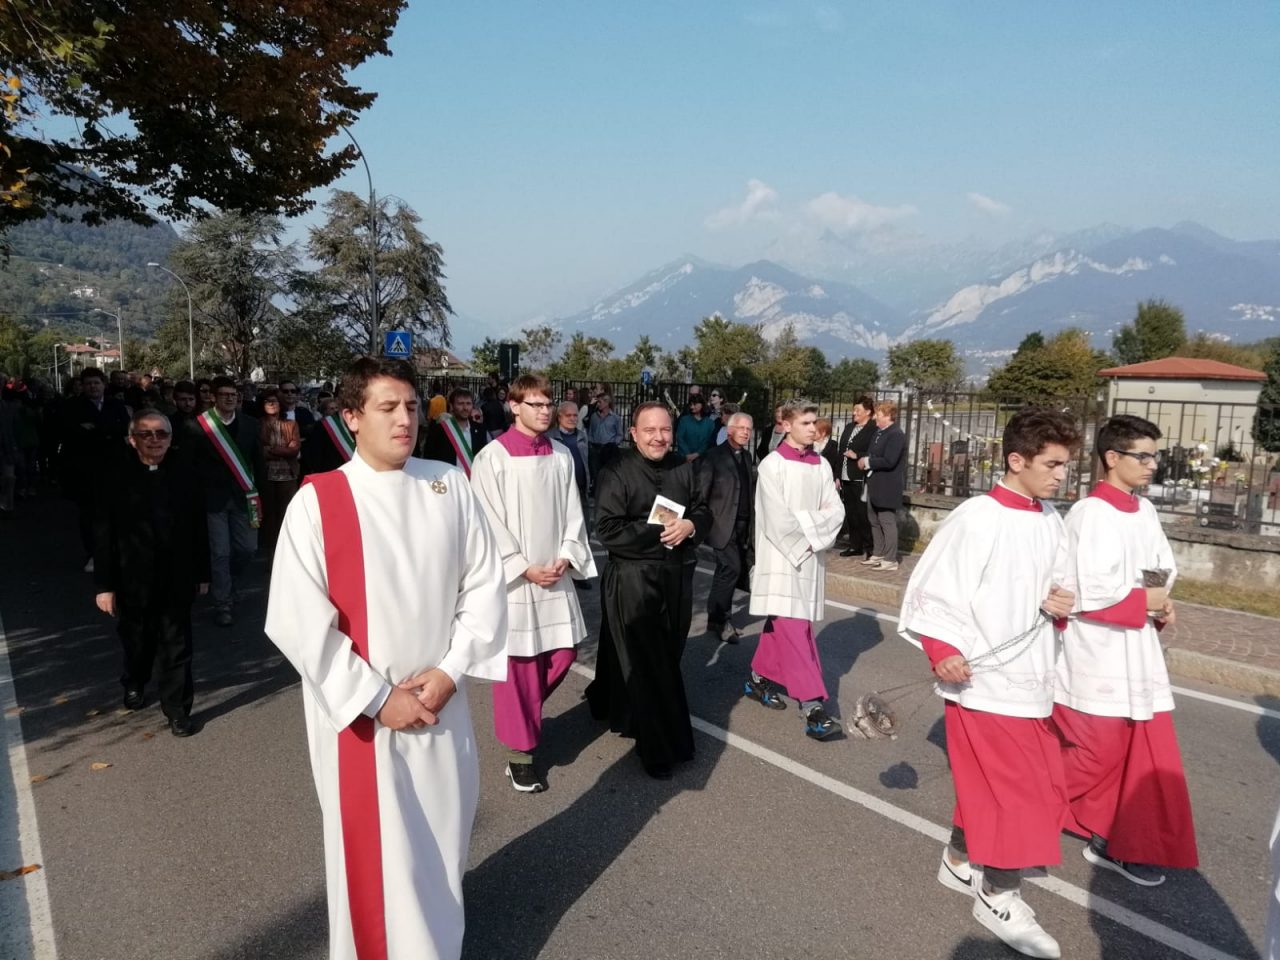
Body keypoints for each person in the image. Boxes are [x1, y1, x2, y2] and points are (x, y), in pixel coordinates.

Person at [265, 357, 508, 960]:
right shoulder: (320, 502)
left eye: (410, 406)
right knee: (375, 857)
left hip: (439, 705)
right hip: (363, 720)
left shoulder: (448, 483)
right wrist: (379, 698)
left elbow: (484, 584)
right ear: (350, 417)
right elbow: (298, 621)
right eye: (387, 407)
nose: (405, 420)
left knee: (440, 846)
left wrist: (452, 672)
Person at [898, 409, 1081, 959]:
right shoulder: (975, 518)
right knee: (1019, 790)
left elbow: (1065, 584)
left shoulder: (1051, 518)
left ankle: (958, 860)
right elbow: (935, 588)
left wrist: (1063, 602)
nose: (1061, 476)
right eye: (1052, 465)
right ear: (1016, 460)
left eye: (1066, 466)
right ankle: (998, 894)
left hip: (1031, 676)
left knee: (1000, 783)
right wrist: (942, 649)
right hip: (982, 679)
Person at [1052, 414, 1198, 885]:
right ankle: (1019, 809)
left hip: (1135, 647)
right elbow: (1085, 590)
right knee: (1096, 752)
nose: (1153, 464)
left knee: (1135, 751)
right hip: (1095, 650)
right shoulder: (1089, 514)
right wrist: (1143, 601)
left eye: (1155, 455)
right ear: (1112, 458)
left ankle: (1112, 837)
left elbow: (1159, 568)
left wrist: (1160, 603)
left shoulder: (1145, 511)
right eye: (1144, 455)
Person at [470, 375, 595, 793]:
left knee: (563, 653)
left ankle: (519, 715)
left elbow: (574, 512)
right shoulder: (493, 458)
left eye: (548, 405)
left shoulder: (561, 454)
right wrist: (522, 566)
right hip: (517, 580)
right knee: (521, 665)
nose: (544, 411)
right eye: (536, 405)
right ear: (513, 406)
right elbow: (487, 521)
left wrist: (565, 554)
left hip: (554, 573)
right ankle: (519, 755)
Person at [585, 401, 709, 779]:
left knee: (667, 650)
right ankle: (659, 747)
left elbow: (702, 510)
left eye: (665, 430)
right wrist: (659, 533)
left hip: (676, 576)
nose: (659, 437)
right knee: (652, 663)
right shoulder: (616, 472)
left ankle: (606, 698)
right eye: (650, 430)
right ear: (634, 433)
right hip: (634, 579)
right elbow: (607, 530)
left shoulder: (683, 469)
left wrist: (689, 527)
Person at [93, 411, 209, 737]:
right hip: (131, 580)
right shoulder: (114, 477)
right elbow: (103, 535)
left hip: (177, 576)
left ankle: (177, 710)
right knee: (138, 642)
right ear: (132, 440)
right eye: (147, 434)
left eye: (162, 434)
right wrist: (104, 585)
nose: (155, 440)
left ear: (171, 439)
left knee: (176, 644)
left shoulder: (185, 474)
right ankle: (135, 680)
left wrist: (203, 573)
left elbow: (199, 528)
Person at [742, 400, 845, 741]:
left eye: (815, 422)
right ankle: (813, 707)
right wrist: (812, 528)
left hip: (809, 559)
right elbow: (777, 519)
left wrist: (810, 529)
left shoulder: (822, 465)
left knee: (784, 626)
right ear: (786, 425)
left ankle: (757, 679)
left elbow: (837, 510)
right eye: (806, 422)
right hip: (782, 560)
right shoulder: (772, 466)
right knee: (796, 629)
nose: (814, 428)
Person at [190, 376, 264, 627]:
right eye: (224, 394)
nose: (230, 398)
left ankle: (228, 583)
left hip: (244, 497)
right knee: (220, 552)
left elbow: (258, 461)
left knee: (247, 549)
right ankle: (223, 602)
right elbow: (191, 465)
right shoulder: (198, 426)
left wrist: (260, 491)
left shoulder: (251, 424)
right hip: (214, 499)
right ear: (213, 397)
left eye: (233, 394)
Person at [60, 368, 132, 569]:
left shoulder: (116, 405)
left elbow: (125, 430)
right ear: (82, 386)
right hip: (85, 469)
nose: (93, 386)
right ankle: (93, 553)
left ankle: (114, 550)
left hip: (114, 467)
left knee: (114, 512)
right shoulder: (72, 407)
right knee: (89, 514)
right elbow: (72, 433)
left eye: (96, 382)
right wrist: (107, 432)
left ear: (104, 384)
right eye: (88, 383)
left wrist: (97, 430)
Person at [699, 412, 756, 644]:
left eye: (749, 429)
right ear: (729, 430)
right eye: (741, 428)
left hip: (743, 523)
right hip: (722, 523)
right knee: (731, 568)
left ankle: (715, 617)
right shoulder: (713, 456)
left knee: (728, 571)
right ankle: (722, 620)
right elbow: (701, 491)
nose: (745, 432)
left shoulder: (747, 456)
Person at [858, 399, 906, 572]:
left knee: (887, 521)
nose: (875, 419)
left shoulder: (896, 434)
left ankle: (890, 558)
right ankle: (877, 553)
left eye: (878, 415)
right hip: (874, 483)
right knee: (874, 520)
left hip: (887, 485)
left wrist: (867, 461)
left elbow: (889, 460)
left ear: (887, 416)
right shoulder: (879, 432)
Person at [258, 388, 302, 556]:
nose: (271, 404)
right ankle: (271, 552)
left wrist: (272, 450)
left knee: (287, 513)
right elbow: (260, 452)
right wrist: (282, 450)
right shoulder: (258, 423)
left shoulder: (291, 424)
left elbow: (294, 449)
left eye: (274, 401)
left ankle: (287, 549)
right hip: (266, 475)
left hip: (288, 475)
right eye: (267, 401)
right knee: (269, 515)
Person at [836, 397, 876, 559]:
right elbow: (840, 450)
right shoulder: (849, 427)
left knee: (862, 514)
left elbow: (874, 452)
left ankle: (870, 547)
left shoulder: (873, 429)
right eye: (854, 410)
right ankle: (855, 545)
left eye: (858, 410)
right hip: (845, 477)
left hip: (860, 477)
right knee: (850, 513)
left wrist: (857, 455)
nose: (854, 413)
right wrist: (838, 475)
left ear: (868, 412)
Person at [421, 387, 487, 477]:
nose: (465, 408)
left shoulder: (480, 430)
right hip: (448, 481)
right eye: (460, 404)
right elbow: (429, 460)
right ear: (451, 406)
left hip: (472, 482)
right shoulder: (439, 430)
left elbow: (483, 459)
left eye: (468, 404)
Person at [546, 399, 590, 533]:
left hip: (581, 491)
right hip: (560, 493)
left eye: (575, 415)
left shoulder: (582, 436)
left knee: (584, 530)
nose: (572, 418)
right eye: (568, 415)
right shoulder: (549, 438)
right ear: (559, 417)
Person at [303, 395, 353, 476]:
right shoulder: (323, 426)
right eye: (331, 408)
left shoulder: (364, 421)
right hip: (331, 473)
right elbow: (315, 455)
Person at [586, 392, 623, 492]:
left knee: (608, 472)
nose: (598, 404)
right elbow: (590, 432)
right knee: (595, 472)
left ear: (607, 403)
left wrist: (614, 444)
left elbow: (619, 434)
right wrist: (590, 444)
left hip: (608, 449)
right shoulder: (594, 416)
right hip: (595, 448)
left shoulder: (615, 418)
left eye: (600, 402)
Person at [675, 394, 717, 461]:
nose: (692, 407)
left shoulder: (710, 423)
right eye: (690, 404)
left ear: (702, 404)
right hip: (684, 458)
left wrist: (697, 454)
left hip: (703, 459)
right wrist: (687, 454)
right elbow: (680, 438)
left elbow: (708, 442)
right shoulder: (684, 420)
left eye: (694, 404)